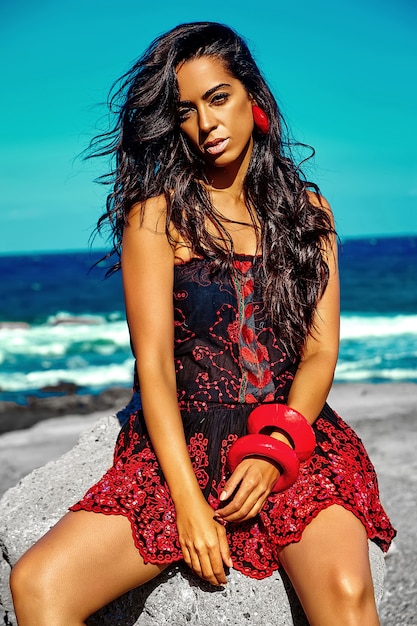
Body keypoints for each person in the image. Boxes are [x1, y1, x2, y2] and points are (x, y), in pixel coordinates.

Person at [10, 21, 395, 625]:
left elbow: (320, 354)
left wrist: (274, 453)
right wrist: (189, 503)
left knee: (347, 592)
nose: (205, 124)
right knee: (38, 585)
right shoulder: (155, 217)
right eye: (185, 110)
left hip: (290, 437)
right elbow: (156, 369)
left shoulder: (308, 212)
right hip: (181, 444)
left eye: (218, 98)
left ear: (254, 100)